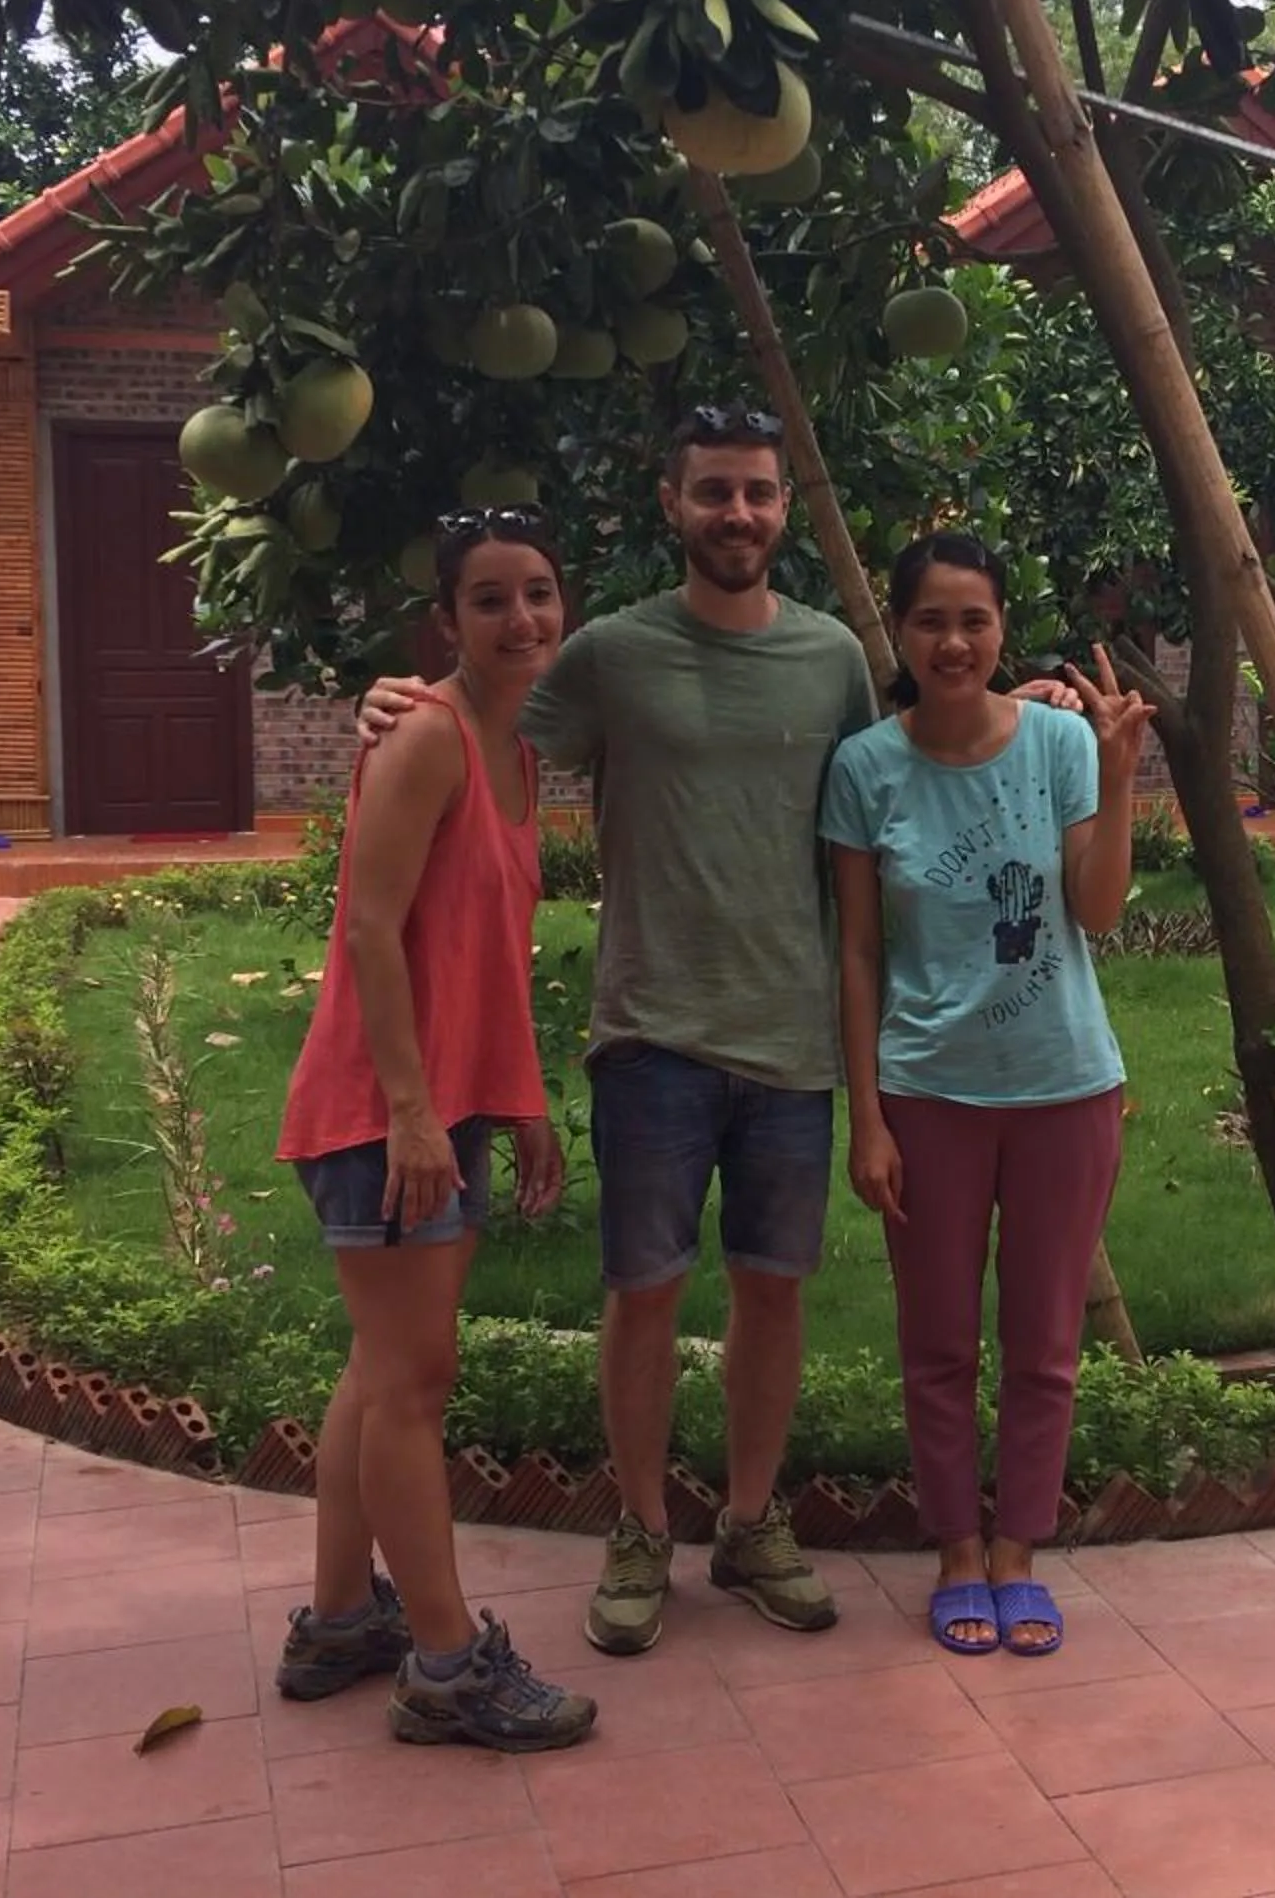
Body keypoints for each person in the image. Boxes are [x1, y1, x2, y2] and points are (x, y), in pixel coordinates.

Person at [360, 409, 887, 1655]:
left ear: (781, 508)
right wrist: (396, 701)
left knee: (774, 1293)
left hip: (791, 1038)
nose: (739, 515)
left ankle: (753, 1523)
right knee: (642, 1292)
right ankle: (642, 1529)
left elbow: (878, 821)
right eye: (714, 492)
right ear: (674, 504)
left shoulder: (831, 660)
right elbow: (482, 727)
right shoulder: (611, 653)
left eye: (757, 493)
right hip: (650, 1031)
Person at [271, 507, 597, 1751]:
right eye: (490, 600)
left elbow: (478, 960)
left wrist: (514, 1103)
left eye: (540, 593)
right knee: (416, 1383)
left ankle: (345, 1617)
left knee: (381, 1367)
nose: (522, 620)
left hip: (441, 1106)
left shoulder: (514, 757)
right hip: (380, 1110)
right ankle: (449, 1667)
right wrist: (411, 1112)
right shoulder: (426, 738)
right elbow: (368, 930)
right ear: (445, 622)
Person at [822, 533, 1151, 1655]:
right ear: (902, 639)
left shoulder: (1061, 741)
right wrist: (864, 1116)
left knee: (1045, 1343)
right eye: (931, 623)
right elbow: (858, 955)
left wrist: (1116, 781)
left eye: (975, 619)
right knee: (939, 1343)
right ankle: (957, 1550)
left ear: (1004, 628)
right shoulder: (867, 768)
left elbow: (1097, 912)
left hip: (1066, 1086)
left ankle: (1019, 1553)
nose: (954, 642)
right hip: (927, 1092)